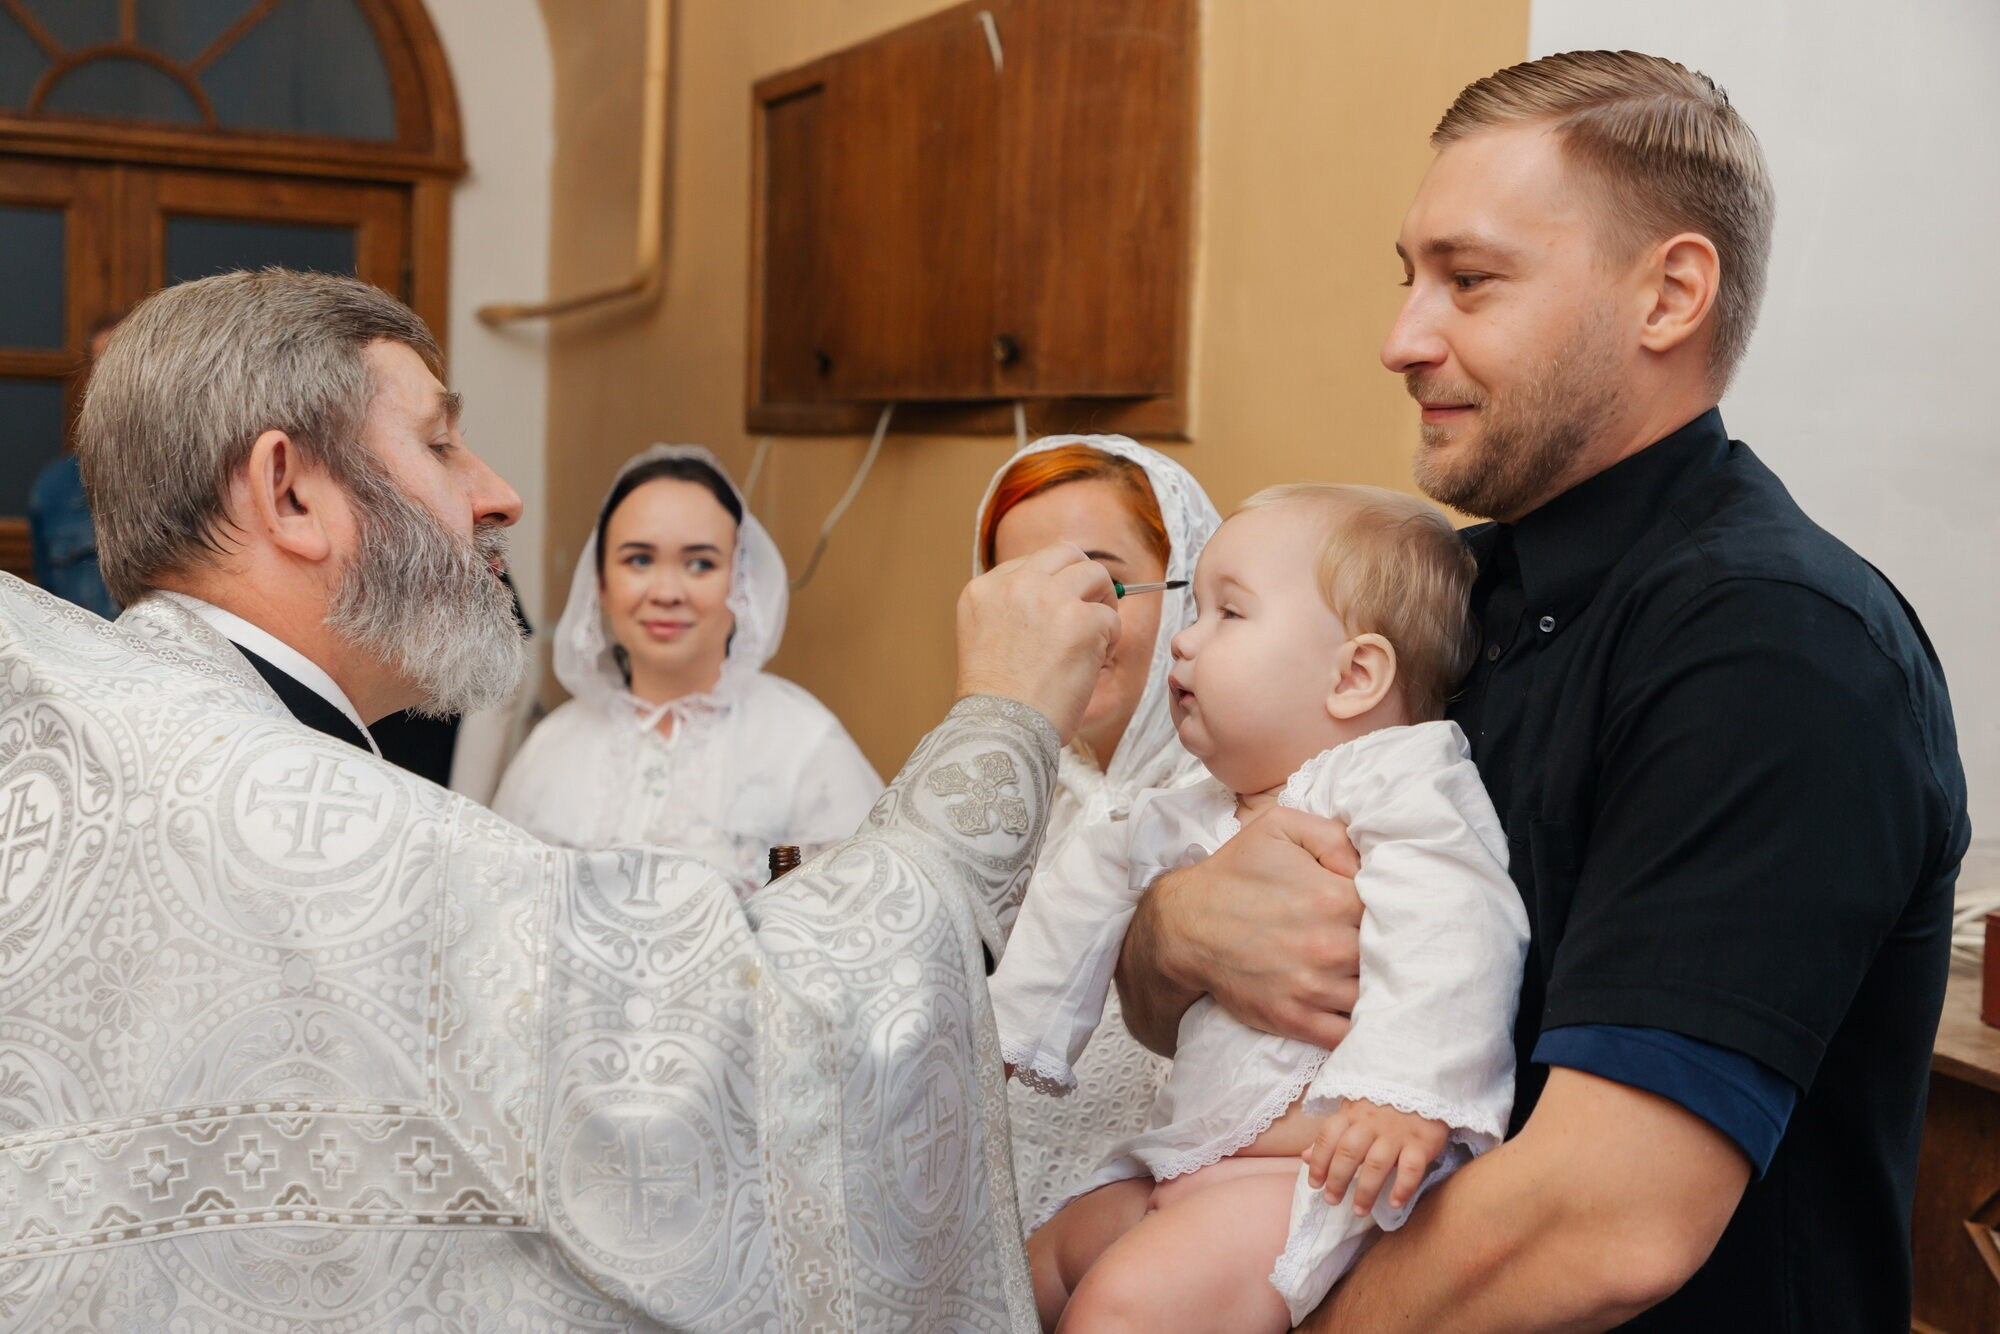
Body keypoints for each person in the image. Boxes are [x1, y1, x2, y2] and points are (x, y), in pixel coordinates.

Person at [0, 267, 1118, 1329]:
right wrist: (1004, 715)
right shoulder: (301, 821)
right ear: (290, 491)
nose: (499, 493)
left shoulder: (88, 738)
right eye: (440, 441)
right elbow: (772, 1040)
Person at [1117, 52, 1970, 1331]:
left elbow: (1604, 1218)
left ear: (1668, 294)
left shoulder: (1774, 649)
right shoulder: (1441, 593)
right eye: (1408, 278)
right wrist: (1175, 925)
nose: (1401, 340)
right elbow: (1160, 986)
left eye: (1468, 280)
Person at [995, 485, 1525, 1331]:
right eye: (1193, 610)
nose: (1186, 639)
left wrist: (1407, 1092)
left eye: (1228, 613)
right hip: (1186, 1158)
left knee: (1122, 1307)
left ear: (1354, 676)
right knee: (1025, 1271)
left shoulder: (1396, 782)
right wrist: (1009, 1037)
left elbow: (1458, 921)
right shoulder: (1189, 805)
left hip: (1312, 1178)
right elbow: (1089, 880)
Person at [975, 433, 1222, 1227]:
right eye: (1024, 591)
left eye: (1103, 583)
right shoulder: (988, 795)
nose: (1063, 623)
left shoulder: (1230, 813)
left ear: (1187, 593)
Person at [493, 445, 880, 895]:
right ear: (601, 582)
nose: (666, 592)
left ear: (741, 584)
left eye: (700, 564)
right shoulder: (549, 750)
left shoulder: (806, 744)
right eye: (639, 560)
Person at [27, 313, 122, 619]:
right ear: (88, 378)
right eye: (101, 366)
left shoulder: (189, 480)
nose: (113, 380)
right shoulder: (53, 489)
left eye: (124, 365)